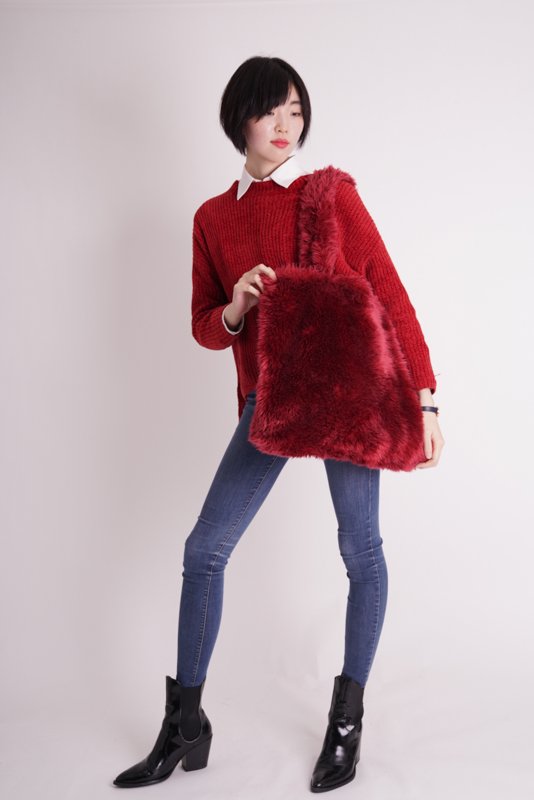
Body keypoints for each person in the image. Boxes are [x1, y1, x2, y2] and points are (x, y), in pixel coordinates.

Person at [113, 55, 445, 793]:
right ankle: (185, 724)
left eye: (296, 110)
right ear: (240, 119)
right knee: (204, 551)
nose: (286, 124)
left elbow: (390, 292)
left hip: (347, 395)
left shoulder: (328, 196)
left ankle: (347, 721)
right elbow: (205, 327)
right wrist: (237, 304)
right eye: (271, 110)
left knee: (361, 551)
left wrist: (425, 399)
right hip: (269, 399)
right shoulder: (213, 217)